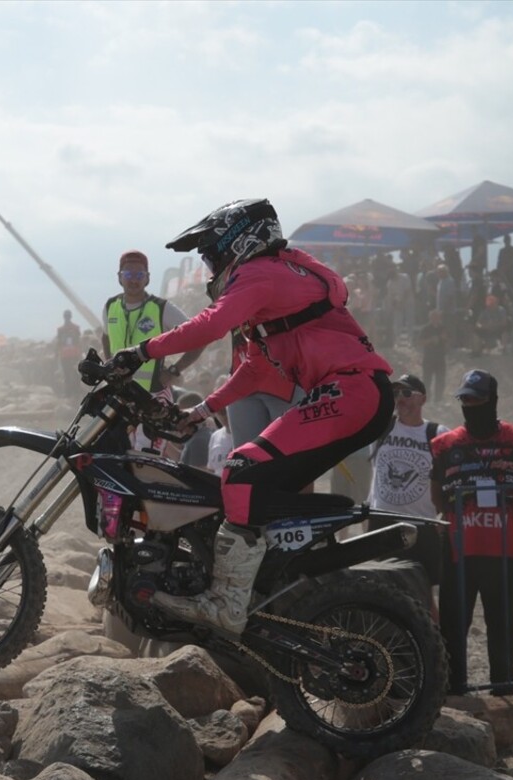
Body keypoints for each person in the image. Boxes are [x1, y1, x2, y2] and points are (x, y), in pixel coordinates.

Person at [106, 198, 394, 634]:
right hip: (359, 393)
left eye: (210, 255)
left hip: (351, 391)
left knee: (240, 469)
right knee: (260, 480)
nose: (208, 266)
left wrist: (142, 350)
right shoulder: (285, 275)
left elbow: (211, 325)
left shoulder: (261, 273)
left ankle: (228, 602)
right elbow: (254, 368)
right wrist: (201, 411)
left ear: (237, 243)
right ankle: (277, 578)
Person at [430, 370, 513, 695]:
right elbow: (436, 494)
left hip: (506, 551)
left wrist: (512, 518)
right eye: (465, 399)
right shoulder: (444, 445)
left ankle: (504, 689)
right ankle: (454, 691)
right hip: (457, 550)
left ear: (492, 400)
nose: (470, 404)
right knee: (454, 623)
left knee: (501, 624)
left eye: (477, 399)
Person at [101, 249, 203, 450]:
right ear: (119, 278)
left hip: (152, 399)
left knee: (146, 461)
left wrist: (174, 371)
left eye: (139, 275)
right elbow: (106, 336)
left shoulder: (161, 308)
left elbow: (199, 337)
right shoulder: (110, 306)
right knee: (116, 459)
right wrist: (108, 366)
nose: (133, 280)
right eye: (128, 274)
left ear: (147, 278)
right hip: (120, 398)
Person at [368, 374, 448, 620]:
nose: (400, 400)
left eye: (407, 393)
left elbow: (451, 477)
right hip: (382, 522)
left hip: (421, 525)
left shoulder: (437, 432)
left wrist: (445, 513)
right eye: (396, 394)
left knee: (423, 595)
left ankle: (433, 651)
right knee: (379, 591)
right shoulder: (382, 426)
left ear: (422, 398)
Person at [416, 310, 448, 403]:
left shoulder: (443, 328)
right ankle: (427, 399)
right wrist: (430, 340)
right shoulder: (426, 329)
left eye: (437, 317)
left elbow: (448, 340)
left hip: (440, 357)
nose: (435, 319)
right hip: (429, 358)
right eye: (434, 317)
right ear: (430, 318)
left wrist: (444, 339)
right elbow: (419, 342)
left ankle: (438, 399)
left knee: (440, 379)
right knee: (427, 380)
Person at [55, 309, 84, 399]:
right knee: (73, 373)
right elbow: (78, 341)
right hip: (72, 354)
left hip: (67, 355)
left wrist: (58, 354)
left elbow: (59, 343)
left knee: (68, 374)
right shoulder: (75, 328)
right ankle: (74, 392)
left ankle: (70, 393)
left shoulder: (61, 329)